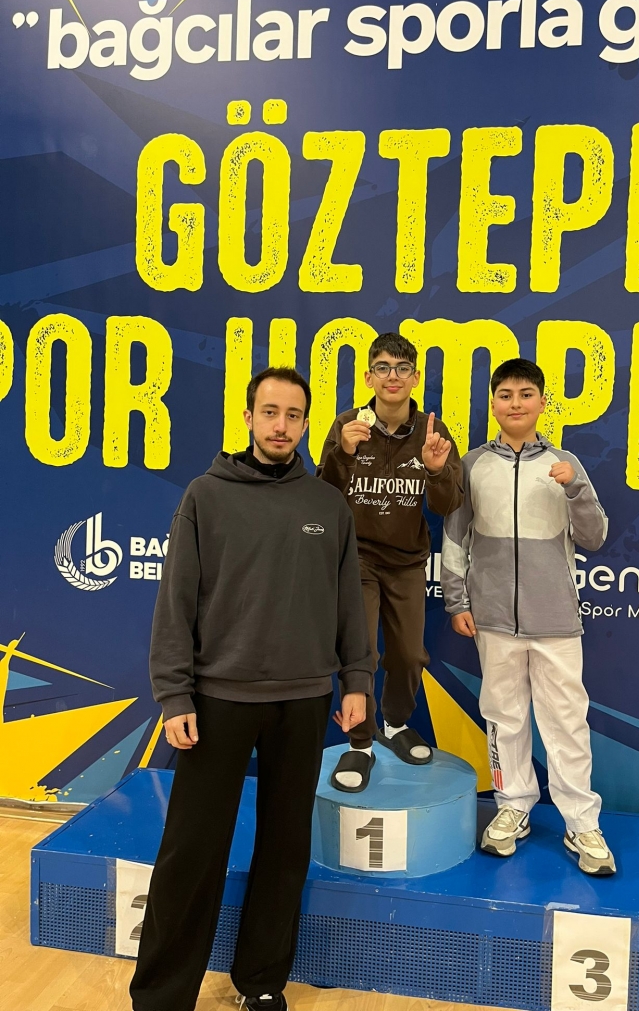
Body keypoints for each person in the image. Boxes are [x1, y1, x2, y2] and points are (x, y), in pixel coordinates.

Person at [130, 367, 372, 1011]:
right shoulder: (205, 496)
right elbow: (175, 602)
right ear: (247, 417)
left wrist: (357, 679)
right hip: (218, 702)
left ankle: (261, 983)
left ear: (305, 424)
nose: (280, 426)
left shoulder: (327, 505)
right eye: (270, 412)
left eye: (293, 415)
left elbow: (348, 603)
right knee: (191, 851)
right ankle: (160, 997)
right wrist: (175, 695)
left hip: (304, 699)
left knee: (285, 850)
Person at [441, 357, 615, 876]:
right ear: (493, 404)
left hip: (556, 620)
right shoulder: (471, 465)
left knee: (566, 722)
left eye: (525, 394)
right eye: (505, 395)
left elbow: (595, 536)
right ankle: (512, 806)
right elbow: (455, 538)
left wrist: (575, 488)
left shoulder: (564, 463)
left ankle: (581, 822)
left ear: (541, 403)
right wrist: (457, 601)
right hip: (493, 620)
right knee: (503, 717)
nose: (515, 403)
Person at [317, 332, 464, 792]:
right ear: (368, 377)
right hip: (355, 560)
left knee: (408, 655)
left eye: (402, 369)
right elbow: (322, 495)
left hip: (406, 563)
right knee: (361, 653)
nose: (392, 376)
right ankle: (360, 744)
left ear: (416, 378)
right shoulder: (348, 424)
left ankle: (395, 723)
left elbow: (449, 504)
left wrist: (436, 471)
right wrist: (342, 453)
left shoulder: (432, 431)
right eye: (382, 367)